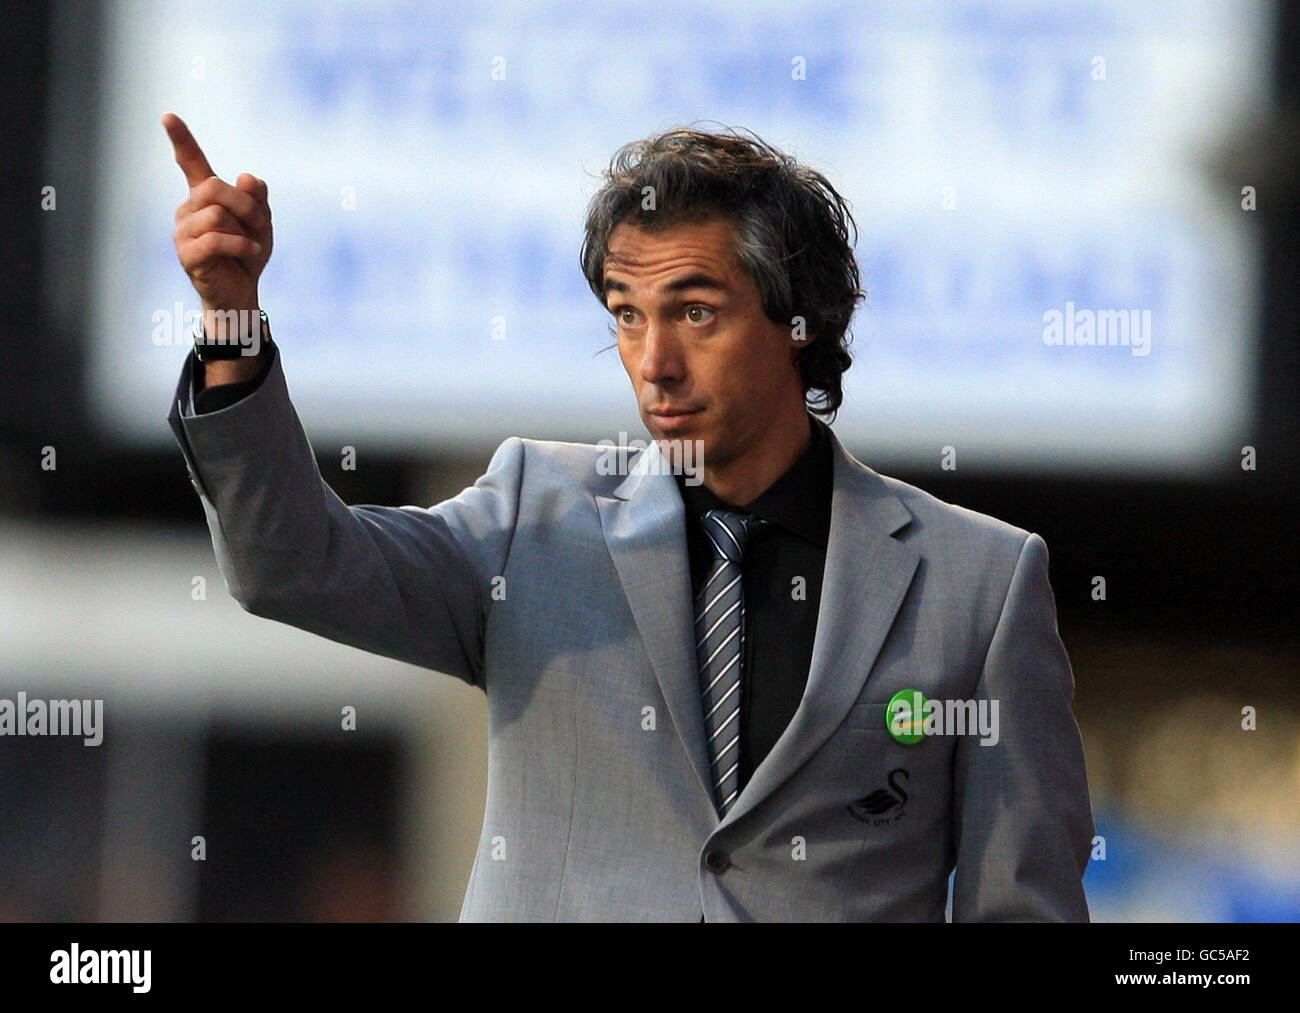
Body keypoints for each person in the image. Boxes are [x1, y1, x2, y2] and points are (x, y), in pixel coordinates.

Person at [162, 112, 1094, 921]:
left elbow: (1024, 907)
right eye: (626, 314)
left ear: (799, 323)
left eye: (694, 312)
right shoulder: (534, 514)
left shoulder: (980, 583)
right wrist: (232, 323)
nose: (653, 362)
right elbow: (291, 564)